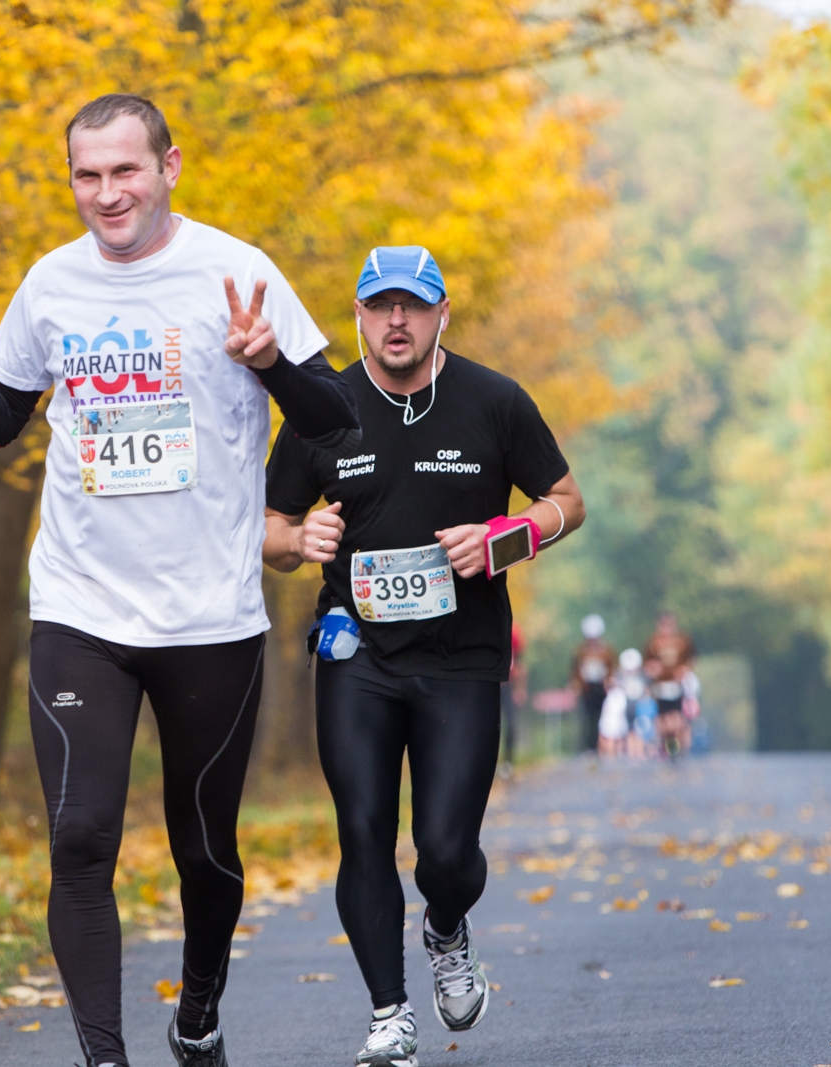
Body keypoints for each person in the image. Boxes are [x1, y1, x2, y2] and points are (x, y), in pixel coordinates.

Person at [0, 94, 358, 1067]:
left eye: (125, 170)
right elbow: (2, 427)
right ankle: (106, 1057)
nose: (106, 193)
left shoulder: (235, 271)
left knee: (203, 848)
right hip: (81, 602)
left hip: (209, 612)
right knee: (79, 836)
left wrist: (270, 360)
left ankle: (197, 1008)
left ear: (169, 166)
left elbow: (336, 420)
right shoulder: (50, 283)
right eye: (87, 175)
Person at [263, 246, 584, 1067]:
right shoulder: (323, 407)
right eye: (379, 307)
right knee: (363, 828)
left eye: (413, 305)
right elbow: (267, 527)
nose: (395, 321)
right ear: (360, 318)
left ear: (443, 313)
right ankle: (388, 1012)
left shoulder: (494, 401)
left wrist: (505, 539)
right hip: (355, 652)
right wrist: (298, 540)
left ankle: (446, 925)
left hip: (461, 657)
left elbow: (567, 503)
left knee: (445, 848)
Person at [643, 613, 697, 759]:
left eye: (669, 625)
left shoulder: (682, 642)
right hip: (660, 687)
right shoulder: (653, 642)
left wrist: (684, 670)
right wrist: (652, 669)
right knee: (663, 722)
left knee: (676, 721)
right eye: (663, 625)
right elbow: (646, 664)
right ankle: (665, 749)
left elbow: (691, 660)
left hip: (676, 686)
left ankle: (677, 751)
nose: (666, 629)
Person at [571, 614, 613, 753]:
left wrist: (609, 681)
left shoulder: (606, 652)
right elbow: (575, 670)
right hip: (586, 689)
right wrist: (576, 684)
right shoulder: (581, 652)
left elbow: (611, 669)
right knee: (587, 718)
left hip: (600, 689)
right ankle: (587, 747)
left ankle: (596, 746)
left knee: (599, 718)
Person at [498, 624, 526, 778]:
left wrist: (520, 689)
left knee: (511, 724)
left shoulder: (513, 632)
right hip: (490, 686)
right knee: (489, 726)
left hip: (509, 684)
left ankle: (508, 763)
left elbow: (521, 663)